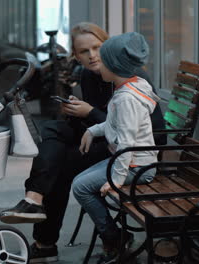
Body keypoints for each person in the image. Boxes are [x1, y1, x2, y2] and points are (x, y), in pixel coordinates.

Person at [0, 22, 166, 263]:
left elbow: (132, 130)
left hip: (134, 150)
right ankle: (33, 197)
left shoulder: (129, 75)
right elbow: (101, 123)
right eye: (84, 52)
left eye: (97, 48)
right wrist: (75, 113)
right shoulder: (88, 76)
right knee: (53, 130)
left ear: (107, 48)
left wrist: (89, 114)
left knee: (61, 166)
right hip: (106, 138)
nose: (92, 56)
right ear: (76, 56)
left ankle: (46, 241)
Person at [71, 32, 158, 263]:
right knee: (79, 182)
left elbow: (127, 145)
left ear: (115, 67)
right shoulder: (127, 88)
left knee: (80, 187)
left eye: (104, 61)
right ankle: (115, 236)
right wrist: (92, 130)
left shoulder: (126, 99)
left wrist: (116, 181)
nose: (99, 64)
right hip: (130, 162)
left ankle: (114, 238)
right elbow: (113, 124)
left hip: (136, 166)